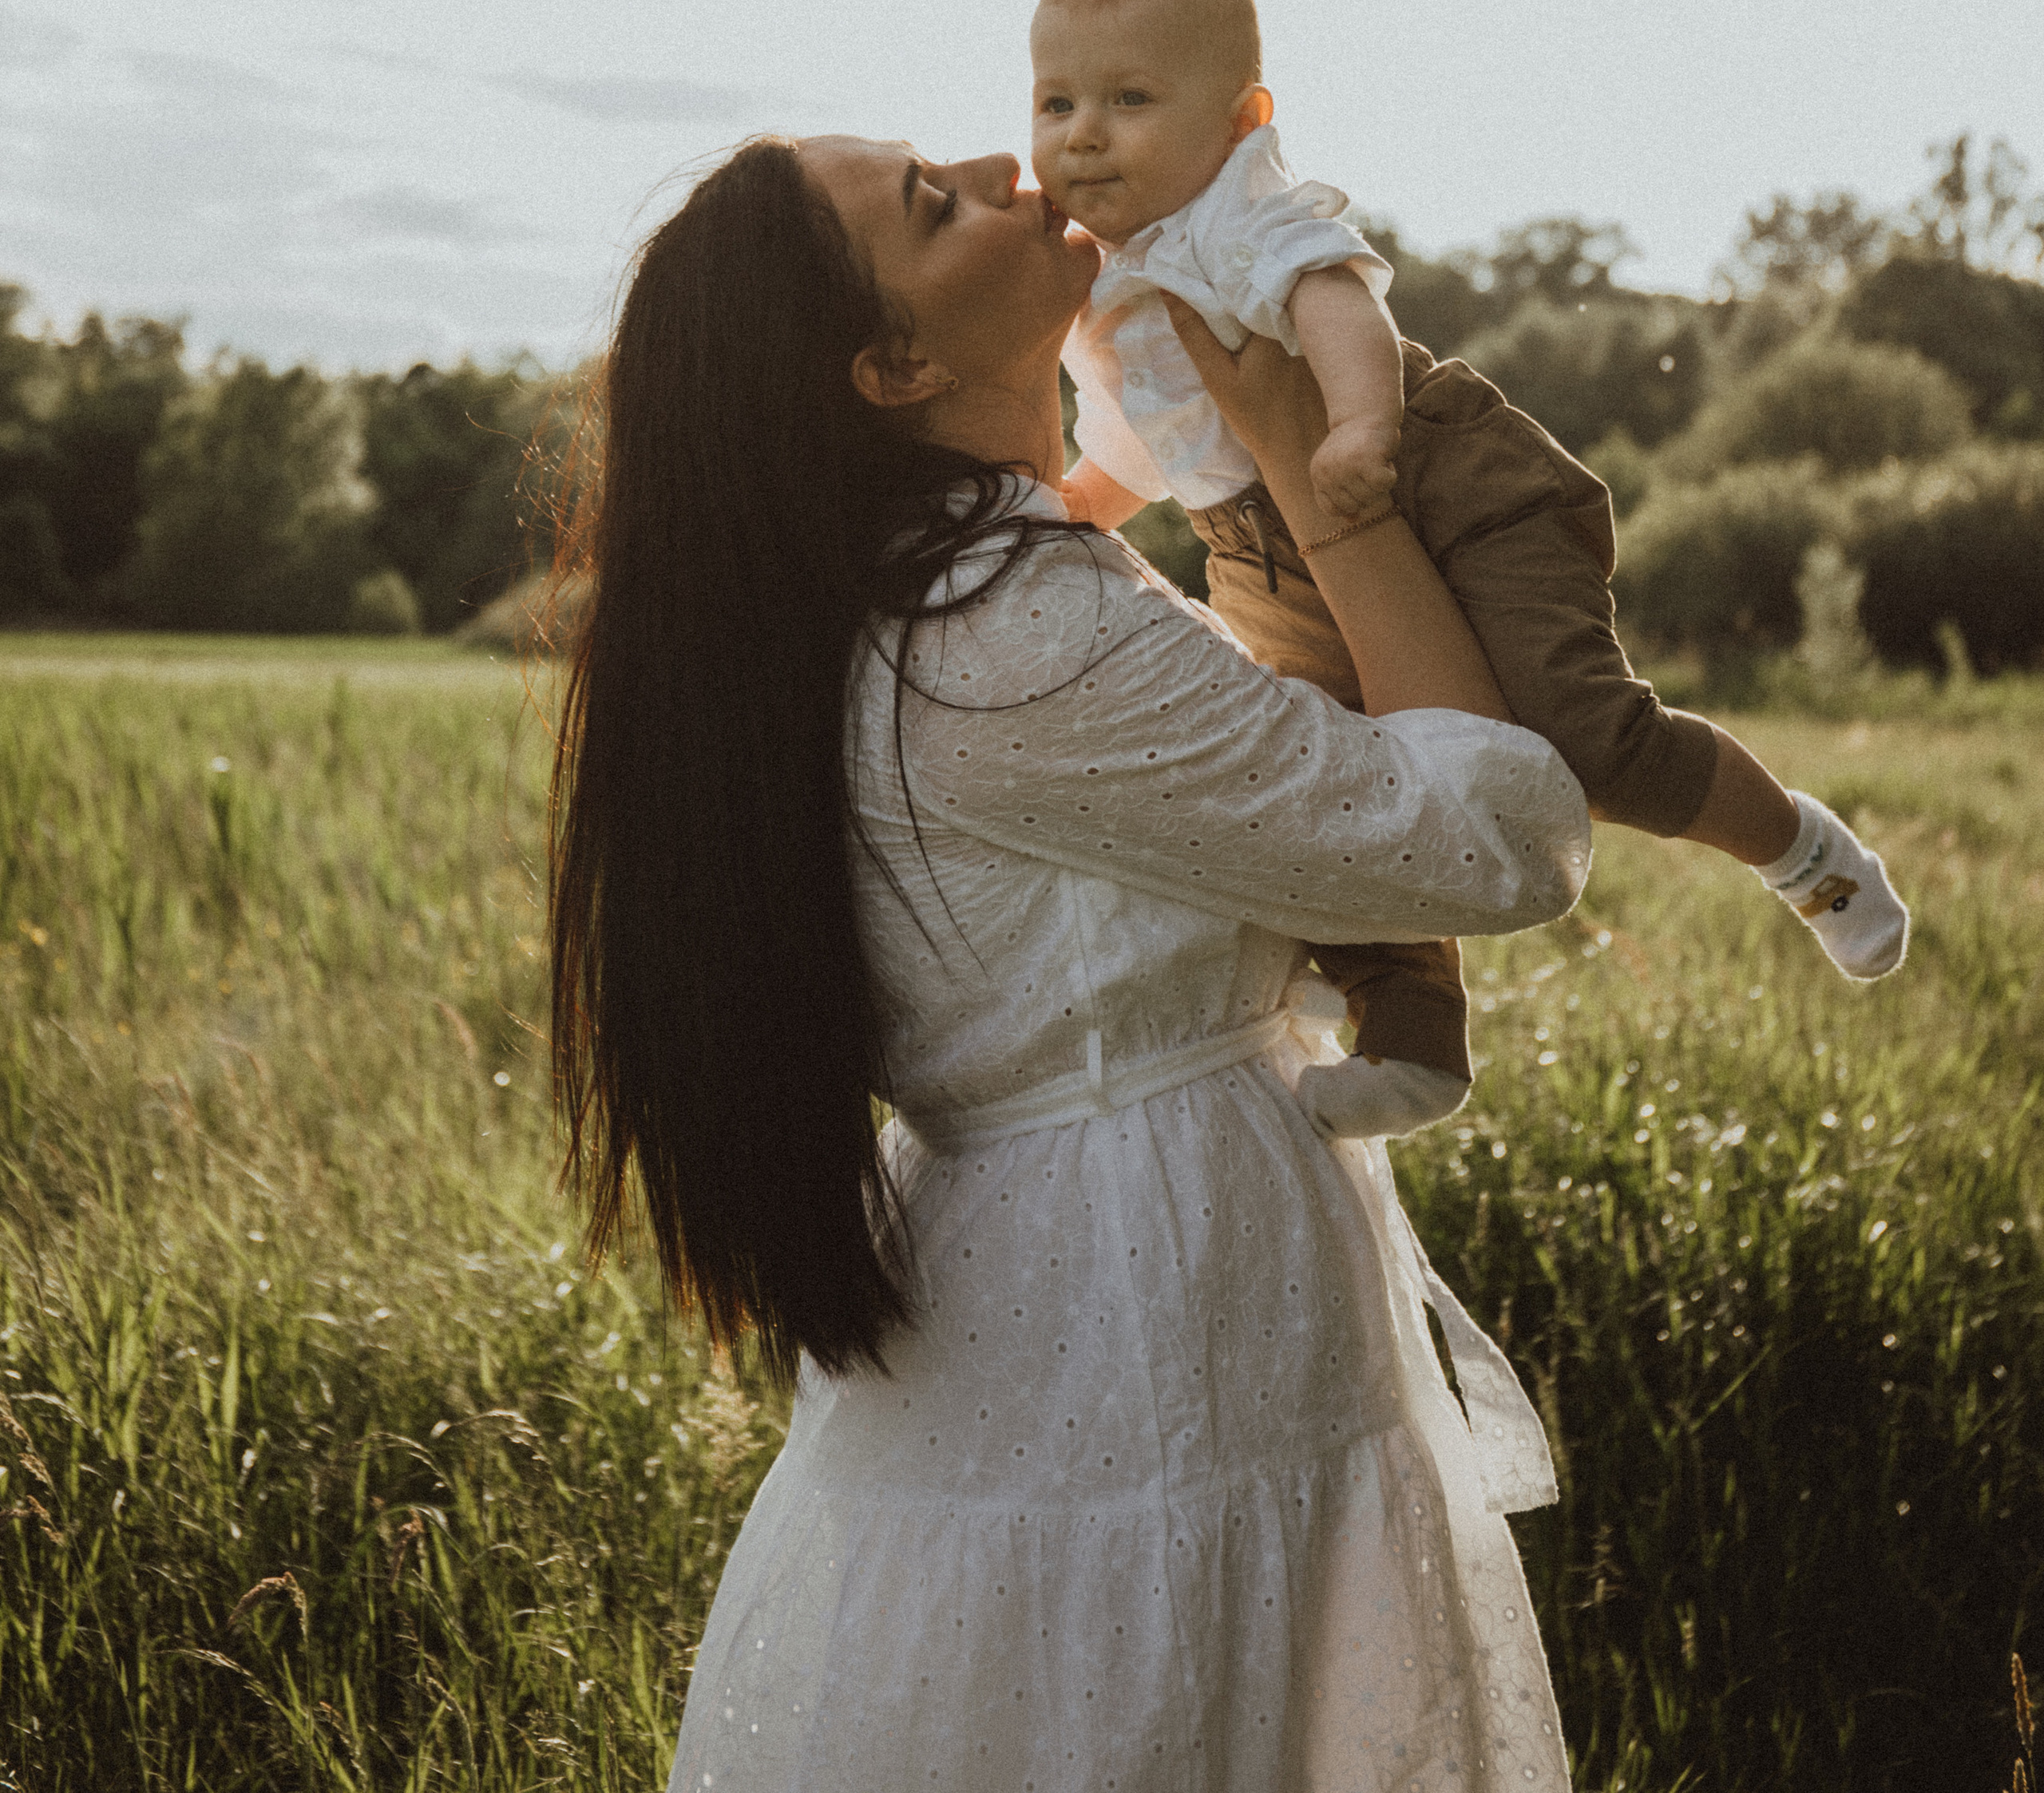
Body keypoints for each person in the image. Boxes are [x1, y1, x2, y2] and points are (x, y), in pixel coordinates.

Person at [550, 132, 1594, 1793]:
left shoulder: (937, 592)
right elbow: (1492, 841)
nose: (995, 161)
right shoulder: (1004, 637)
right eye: (932, 205)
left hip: (1060, 1249)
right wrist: (1303, 459)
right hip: (1141, 1286)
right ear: (893, 364)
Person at [1038, 0, 1909, 1143]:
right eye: (1058, 101)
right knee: (1341, 781)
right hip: (1256, 540)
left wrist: (1356, 427)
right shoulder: (1101, 280)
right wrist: (1083, 498)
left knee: (1576, 732)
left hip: (1428, 472)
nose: (1083, 133)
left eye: (1131, 99)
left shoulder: (1243, 210)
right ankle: (1414, 1036)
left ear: (1241, 120)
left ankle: (1802, 851)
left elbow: (1335, 299)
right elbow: (1151, 439)